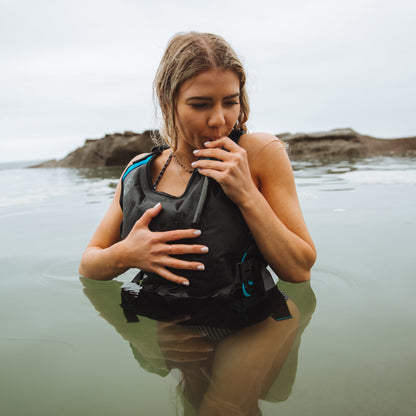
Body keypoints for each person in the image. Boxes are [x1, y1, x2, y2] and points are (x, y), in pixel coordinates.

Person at [79, 32, 316, 300]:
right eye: (200, 104)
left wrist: (247, 194)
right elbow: (88, 265)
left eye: (231, 102)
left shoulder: (260, 153)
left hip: (249, 318)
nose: (218, 120)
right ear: (168, 101)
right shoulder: (136, 171)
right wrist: (124, 255)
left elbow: (299, 271)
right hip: (165, 320)